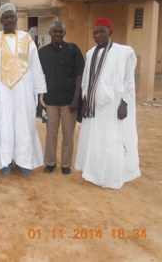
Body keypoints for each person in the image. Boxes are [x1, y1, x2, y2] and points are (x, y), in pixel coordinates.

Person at [75, 18, 141, 189]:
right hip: (94, 109)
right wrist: (84, 101)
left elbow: (128, 80)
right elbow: (85, 81)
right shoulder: (90, 53)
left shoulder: (123, 52)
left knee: (112, 140)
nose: (98, 35)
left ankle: (111, 178)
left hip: (113, 108)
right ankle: (94, 174)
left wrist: (124, 103)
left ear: (110, 32)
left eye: (101, 31)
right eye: (95, 32)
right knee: (95, 141)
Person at [0, 3, 47, 176]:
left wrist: (39, 94)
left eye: (12, 16)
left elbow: (35, 66)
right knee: (3, 125)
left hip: (23, 92)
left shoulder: (26, 39)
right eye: (5, 16)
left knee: (23, 124)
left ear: (16, 19)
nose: (9, 19)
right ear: (1, 20)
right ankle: (5, 161)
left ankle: (24, 161)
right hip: (2, 93)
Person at [38, 21, 85, 175]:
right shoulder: (42, 53)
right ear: (50, 33)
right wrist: (40, 100)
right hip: (50, 102)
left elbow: (79, 76)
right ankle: (50, 162)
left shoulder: (73, 50)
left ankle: (66, 164)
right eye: (55, 31)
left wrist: (76, 100)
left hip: (69, 102)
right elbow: (38, 77)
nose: (57, 34)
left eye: (61, 32)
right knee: (51, 134)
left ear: (64, 34)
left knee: (68, 135)